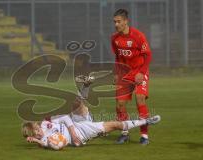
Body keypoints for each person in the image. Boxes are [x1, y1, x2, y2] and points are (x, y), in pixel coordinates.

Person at [22, 76, 160, 149]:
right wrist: (36, 141)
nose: (39, 133)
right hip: (83, 134)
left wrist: (72, 133)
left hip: (76, 125)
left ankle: (86, 85)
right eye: (36, 135)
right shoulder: (44, 142)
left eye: (37, 130)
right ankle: (147, 121)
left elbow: (64, 117)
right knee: (115, 125)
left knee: (76, 103)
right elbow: (51, 145)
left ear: (36, 125)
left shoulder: (46, 124)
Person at [111, 9, 152, 145]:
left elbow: (148, 55)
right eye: (115, 22)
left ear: (126, 21)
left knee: (140, 99)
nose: (116, 24)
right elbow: (118, 57)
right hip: (124, 73)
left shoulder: (138, 36)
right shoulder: (114, 38)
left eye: (119, 21)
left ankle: (144, 136)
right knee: (120, 104)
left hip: (140, 71)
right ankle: (124, 133)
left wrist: (142, 72)